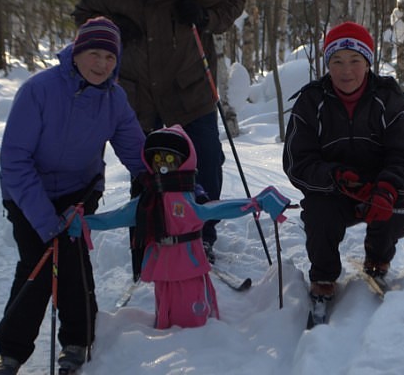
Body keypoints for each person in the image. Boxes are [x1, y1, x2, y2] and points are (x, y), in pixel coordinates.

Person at [71, 0, 245, 262]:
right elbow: (82, 14)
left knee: (207, 162)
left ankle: (202, 235)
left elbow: (233, 2)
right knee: (145, 169)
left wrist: (205, 18)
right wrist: (113, 27)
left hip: (191, 92)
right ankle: (148, 236)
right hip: (140, 99)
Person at [0, 17, 147, 375]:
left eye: (110, 58)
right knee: (39, 267)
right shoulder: (39, 90)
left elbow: (135, 150)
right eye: (94, 54)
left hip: (78, 192)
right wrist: (47, 223)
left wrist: (173, 181)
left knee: (74, 264)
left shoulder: (114, 98)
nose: (102, 65)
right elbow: (14, 162)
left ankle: (78, 340)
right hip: (27, 191)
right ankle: (11, 352)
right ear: (76, 53)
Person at [68, 125, 290, 329]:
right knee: (166, 311)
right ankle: (169, 344)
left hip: (188, 263)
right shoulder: (148, 200)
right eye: (157, 158)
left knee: (193, 316)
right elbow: (116, 217)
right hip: (162, 264)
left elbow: (218, 209)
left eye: (169, 158)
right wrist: (85, 222)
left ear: (183, 161)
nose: (162, 164)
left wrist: (257, 202)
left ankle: (198, 351)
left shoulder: (191, 197)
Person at [282, 21, 404, 303]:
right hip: (334, 191)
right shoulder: (311, 102)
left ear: (368, 62)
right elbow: (297, 162)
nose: (345, 70)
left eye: (354, 60)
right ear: (327, 64)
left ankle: (378, 258)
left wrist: (388, 188)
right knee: (318, 212)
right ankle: (323, 277)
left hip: (379, 191)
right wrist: (333, 177)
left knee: (400, 208)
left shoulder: (389, 98)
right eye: (336, 61)